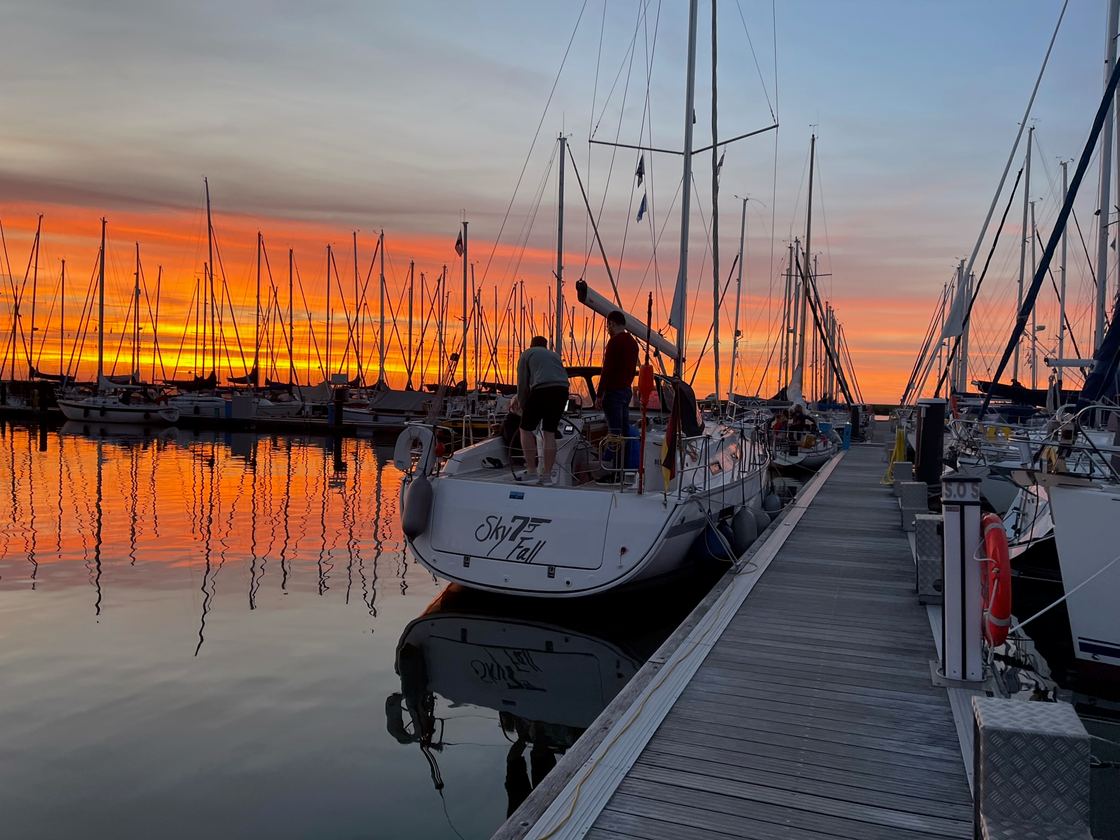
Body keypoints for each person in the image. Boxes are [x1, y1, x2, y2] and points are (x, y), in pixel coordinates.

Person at [514, 335, 569, 485]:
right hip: (562, 390)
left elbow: (522, 383)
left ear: (531, 345)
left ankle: (531, 471)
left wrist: (523, 406)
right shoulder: (554, 356)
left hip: (542, 390)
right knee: (549, 432)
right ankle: (547, 476)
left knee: (525, 429)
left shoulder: (527, 354)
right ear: (546, 346)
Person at [596, 310, 639, 480]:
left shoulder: (614, 342)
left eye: (608, 325)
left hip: (613, 391)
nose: (608, 329)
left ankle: (607, 466)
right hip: (626, 391)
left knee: (614, 433)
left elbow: (608, 369)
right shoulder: (633, 343)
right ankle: (622, 470)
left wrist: (599, 395)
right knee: (624, 432)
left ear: (612, 323)